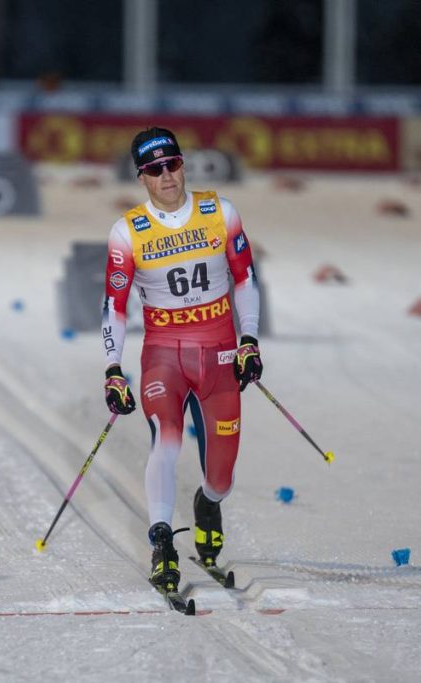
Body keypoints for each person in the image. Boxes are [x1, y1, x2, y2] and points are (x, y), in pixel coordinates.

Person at [101, 127, 263, 592]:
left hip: (219, 352)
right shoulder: (127, 231)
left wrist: (249, 340)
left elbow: (245, 280)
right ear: (142, 177)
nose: (167, 175)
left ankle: (208, 503)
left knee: (222, 475)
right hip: (164, 356)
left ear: (183, 164)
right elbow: (113, 306)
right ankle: (161, 543)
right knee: (167, 441)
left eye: (172, 164)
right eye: (155, 169)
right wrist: (113, 369)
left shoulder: (220, 212)